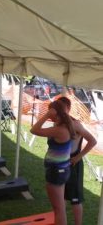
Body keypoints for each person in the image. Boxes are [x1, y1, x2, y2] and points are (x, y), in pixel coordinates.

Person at [30, 100, 76, 225]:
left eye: (51, 112)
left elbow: (34, 130)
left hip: (56, 172)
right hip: (62, 170)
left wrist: (46, 115)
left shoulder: (59, 130)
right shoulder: (67, 125)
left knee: (58, 210)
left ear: (55, 113)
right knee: (60, 209)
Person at [58, 96, 97, 225]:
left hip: (73, 164)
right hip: (60, 164)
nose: (60, 111)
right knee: (61, 197)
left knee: (75, 199)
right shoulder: (57, 124)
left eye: (62, 108)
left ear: (68, 109)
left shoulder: (76, 124)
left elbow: (92, 141)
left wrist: (78, 157)